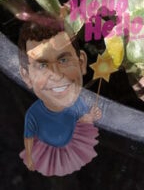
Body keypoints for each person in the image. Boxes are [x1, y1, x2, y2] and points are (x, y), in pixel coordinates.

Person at [18, 13, 101, 176]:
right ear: (26, 76)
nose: (55, 74)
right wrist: (29, 157)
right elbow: (28, 137)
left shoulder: (78, 103)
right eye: (42, 66)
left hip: (71, 147)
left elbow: (82, 120)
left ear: (82, 63)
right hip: (45, 150)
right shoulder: (33, 114)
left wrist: (90, 117)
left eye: (63, 61)